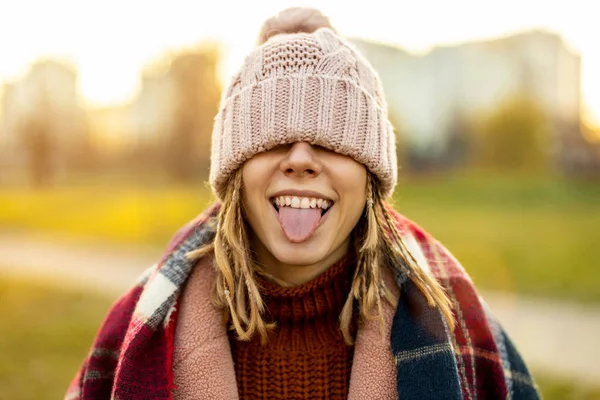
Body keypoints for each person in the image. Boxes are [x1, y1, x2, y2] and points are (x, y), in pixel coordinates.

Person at [66, 8, 540, 400]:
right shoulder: (138, 327)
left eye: (331, 141)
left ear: (371, 177)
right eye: (273, 140)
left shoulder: (461, 331)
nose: (300, 160)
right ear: (234, 173)